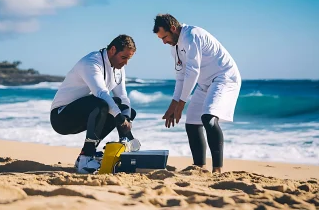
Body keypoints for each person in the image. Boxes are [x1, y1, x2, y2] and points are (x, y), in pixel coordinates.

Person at [152, 14, 241, 173]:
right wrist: (173, 104)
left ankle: (217, 170)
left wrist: (182, 103)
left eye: (164, 37)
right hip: (205, 82)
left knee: (208, 117)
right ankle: (199, 166)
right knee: (192, 122)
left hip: (223, 77)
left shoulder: (191, 35)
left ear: (173, 28)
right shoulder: (175, 47)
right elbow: (180, 76)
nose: (164, 42)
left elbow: (192, 71)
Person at [50, 34, 141, 174]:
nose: (125, 63)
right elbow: (101, 93)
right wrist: (119, 118)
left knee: (125, 110)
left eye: (129, 59)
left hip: (85, 114)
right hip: (61, 117)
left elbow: (122, 96)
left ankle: (89, 153)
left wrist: (126, 118)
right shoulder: (92, 62)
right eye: (123, 57)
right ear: (112, 50)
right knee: (103, 105)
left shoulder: (118, 68)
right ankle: (85, 160)